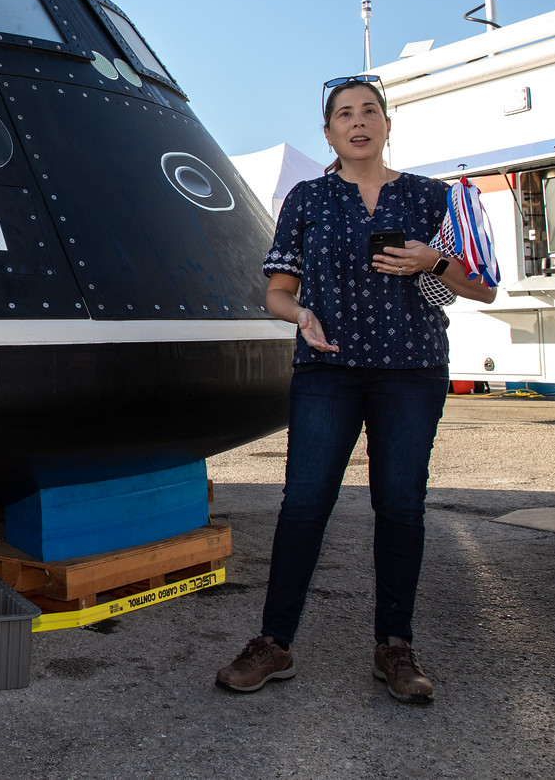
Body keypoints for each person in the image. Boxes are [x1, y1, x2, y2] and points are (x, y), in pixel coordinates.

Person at [215, 75, 496, 704]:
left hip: (411, 369)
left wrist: (432, 261)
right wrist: (300, 317)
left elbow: (483, 287)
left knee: (400, 505)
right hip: (328, 369)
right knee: (304, 504)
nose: (359, 121)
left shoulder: (432, 197)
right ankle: (274, 642)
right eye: (345, 114)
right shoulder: (306, 198)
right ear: (329, 132)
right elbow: (276, 292)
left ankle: (395, 646)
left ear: (388, 124)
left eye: (370, 111)